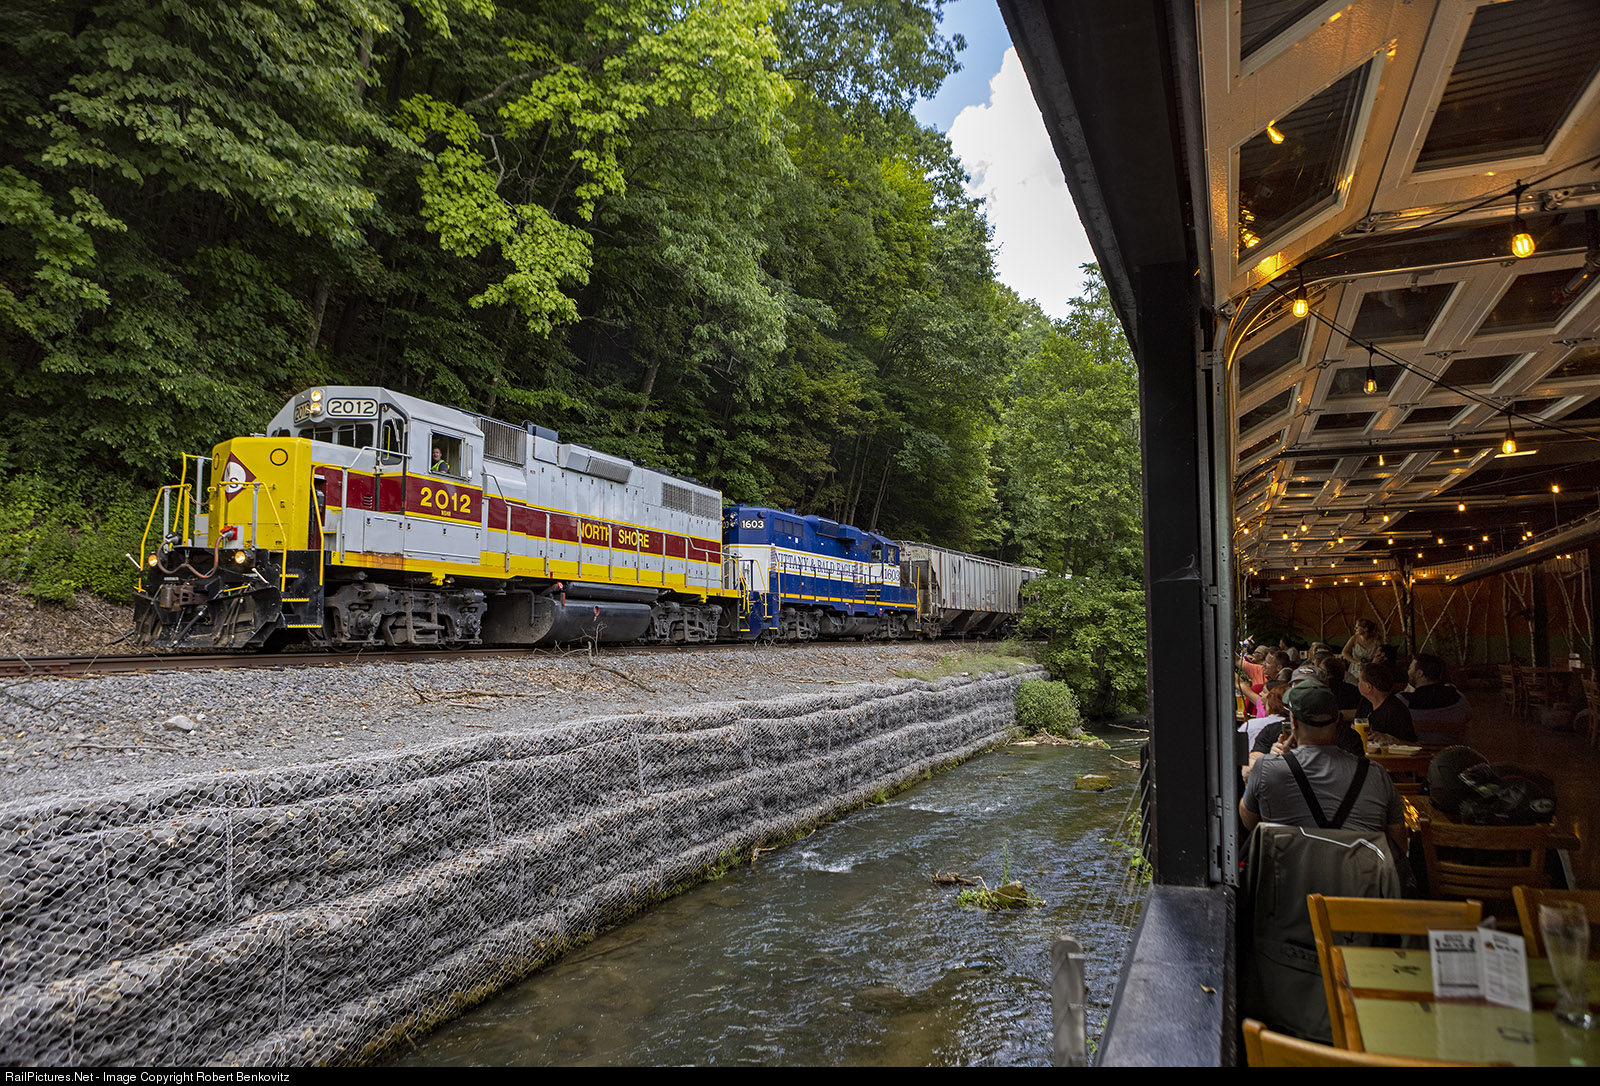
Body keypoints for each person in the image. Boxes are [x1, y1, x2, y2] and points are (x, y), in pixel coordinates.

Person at [1239, 681, 1407, 854]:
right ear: (1338, 720)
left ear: (1293, 722)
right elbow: (1398, 842)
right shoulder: (1375, 774)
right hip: (1361, 870)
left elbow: (1250, 821)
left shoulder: (1267, 769)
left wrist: (1284, 760)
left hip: (1290, 869)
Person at [1400, 653, 1470, 739]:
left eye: (1410, 669)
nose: (1408, 672)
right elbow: (1468, 717)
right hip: (1453, 747)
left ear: (1420, 673)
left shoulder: (1402, 702)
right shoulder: (1459, 698)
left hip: (1414, 747)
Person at [1354, 660, 1417, 744]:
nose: (1358, 683)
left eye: (1359, 681)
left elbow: (1412, 744)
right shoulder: (1365, 703)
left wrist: (1391, 740)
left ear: (1368, 687)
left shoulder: (1396, 710)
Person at [1340, 619, 1384, 684]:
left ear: (1365, 629)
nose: (1355, 629)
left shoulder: (1376, 641)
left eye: (1357, 627)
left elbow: (1379, 655)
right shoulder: (1354, 639)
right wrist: (1357, 662)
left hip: (1370, 668)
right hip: (1355, 668)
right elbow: (1344, 653)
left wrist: (1374, 662)